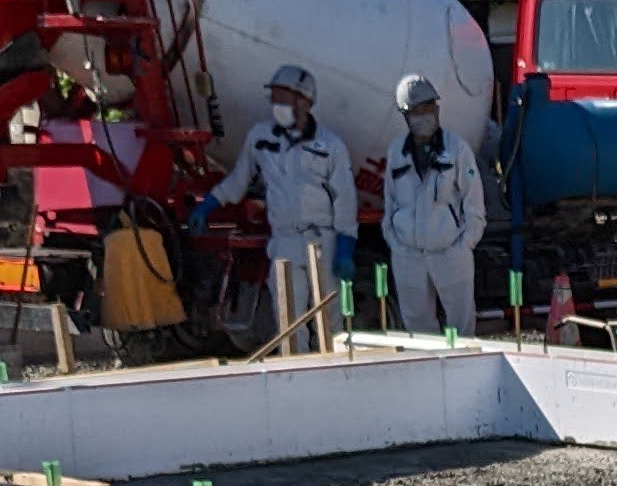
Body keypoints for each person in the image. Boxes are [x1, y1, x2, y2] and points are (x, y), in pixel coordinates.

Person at [198, 63, 356, 353]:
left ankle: (337, 378)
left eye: (284, 98)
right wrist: (208, 205)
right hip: (284, 240)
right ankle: (298, 382)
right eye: (275, 98)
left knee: (330, 320)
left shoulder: (330, 145)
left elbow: (344, 198)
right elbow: (238, 181)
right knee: (290, 323)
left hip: (324, 240)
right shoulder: (261, 138)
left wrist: (345, 246)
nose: (277, 105)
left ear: (305, 101)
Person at [381, 69, 483, 335]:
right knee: (418, 330)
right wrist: (394, 240)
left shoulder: (456, 148)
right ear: (405, 114)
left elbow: (474, 202)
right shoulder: (396, 152)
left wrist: (465, 244)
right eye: (417, 110)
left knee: (462, 327)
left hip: (450, 252)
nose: (424, 115)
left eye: (428, 107)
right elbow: (390, 201)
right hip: (408, 256)